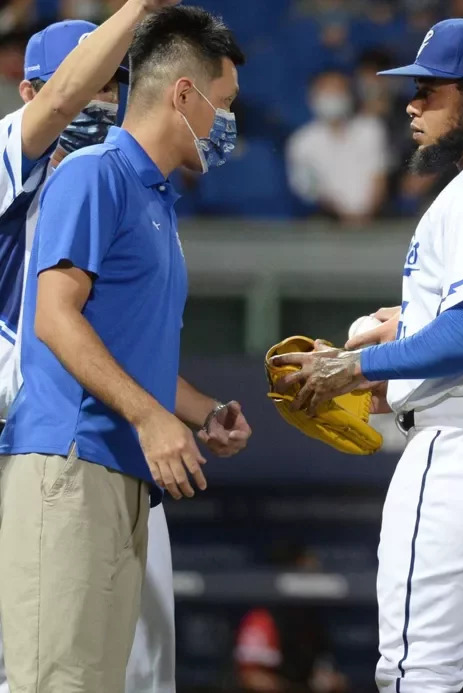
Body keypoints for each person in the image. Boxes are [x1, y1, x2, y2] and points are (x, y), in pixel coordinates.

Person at [272, 18, 463, 693]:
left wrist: (353, 368)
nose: (411, 105)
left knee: (418, 671)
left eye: (429, 90)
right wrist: (404, 334)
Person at [0, 6, 251, 692]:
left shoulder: (155, 199)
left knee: (114, 679)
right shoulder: (86, 173)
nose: (229, 122)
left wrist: (200, 412)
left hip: (119, 460)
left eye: (113, 84)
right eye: (224, 103)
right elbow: (55, 319)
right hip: (62, 448)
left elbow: (126, 348)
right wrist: (149, 416)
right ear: (182, 92)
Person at [286, 68, 389, 224]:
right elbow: (308, 189)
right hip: (328, 223)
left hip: (373, 220)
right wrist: (343, 217)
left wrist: (366, 216)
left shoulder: (371, 129)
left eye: (338, 90)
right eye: (326, 91)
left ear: (349, 95)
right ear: (313, 96)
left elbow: (379, 176)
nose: (332, 97)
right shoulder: (301, 142)